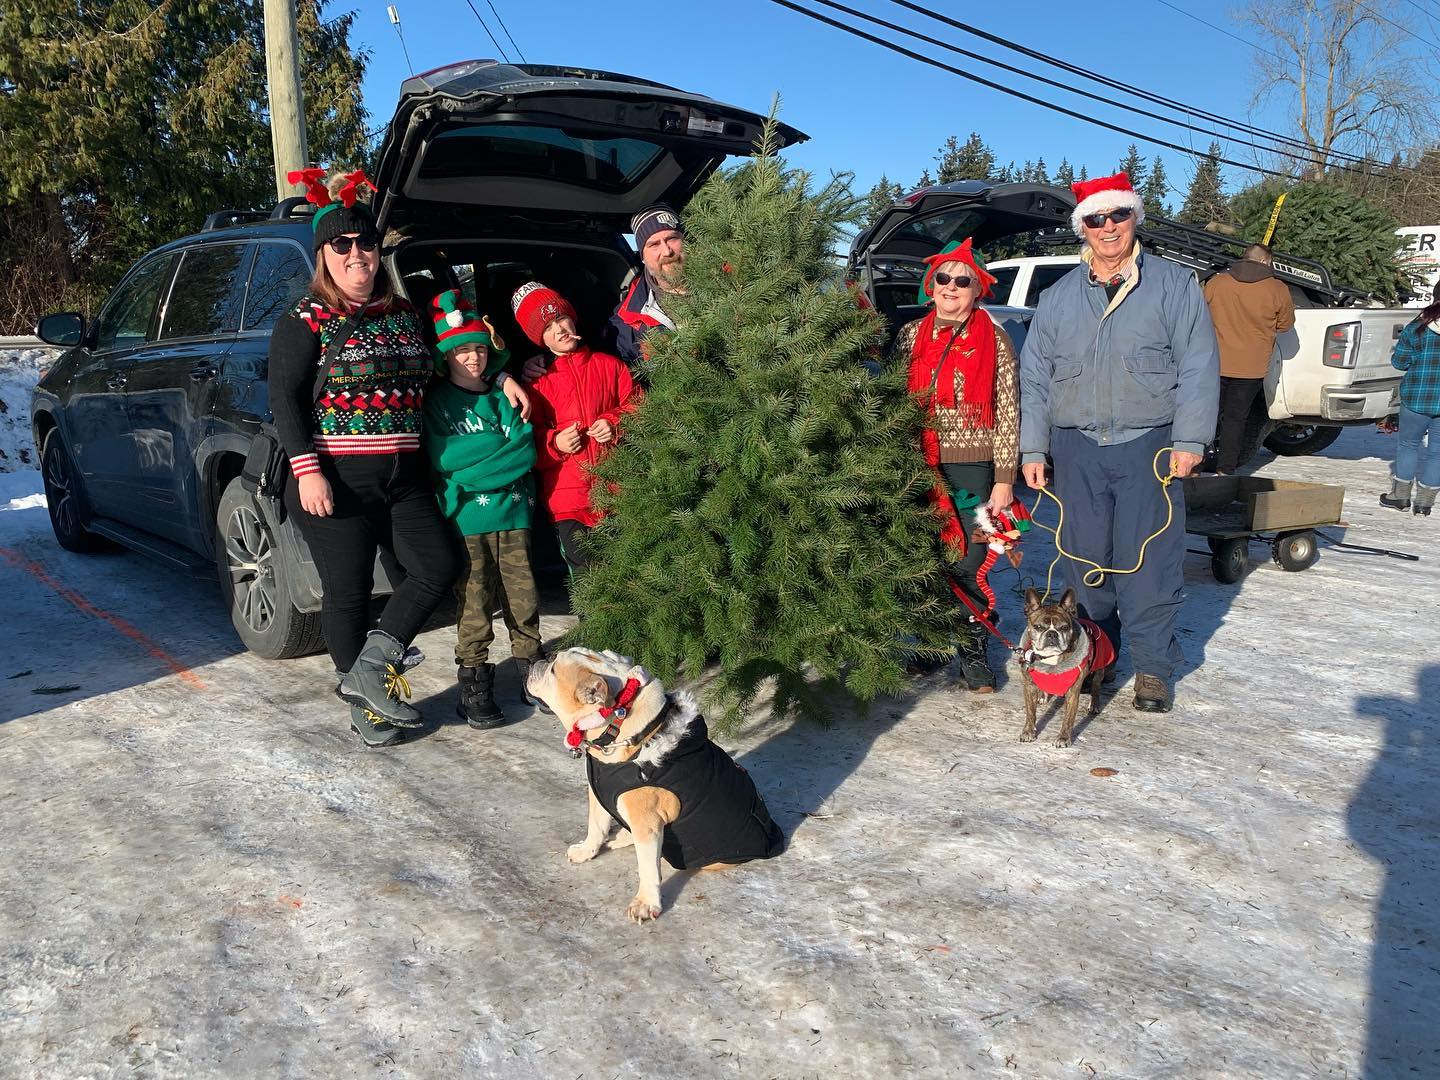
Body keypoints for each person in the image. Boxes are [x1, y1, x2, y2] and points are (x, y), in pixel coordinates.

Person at [269, 169, 457, 746]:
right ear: (323, 254)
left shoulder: (402, 315)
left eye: (367, 244)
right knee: (349, 591)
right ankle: (368, 707)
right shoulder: (305, 320)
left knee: (436, 568)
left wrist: (504, 381)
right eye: (342, 245)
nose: (358, 255)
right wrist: (307, 472)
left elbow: (446, 369)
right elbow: (285, 399)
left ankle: (370, 671)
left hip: (403, 478)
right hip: (335, 480)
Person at [1018, 172, 1219, 714]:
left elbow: (1200, 365)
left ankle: (1153, 668)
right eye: (1096, 219)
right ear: (1081, 227)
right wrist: (1033, 449)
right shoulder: (1058, 298)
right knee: (1086, 563)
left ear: (1134, 219)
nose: (1108, 228)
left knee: (1149, 562)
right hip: (1076, 447)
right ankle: (1094, 660)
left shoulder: (1174, 286)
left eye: (1118, 216)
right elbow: (1034, 377)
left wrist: (1191, 438)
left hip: (1148, 447)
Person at [893, 238, 1018, 692]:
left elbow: (1008, 411)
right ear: (932, 284)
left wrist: (1004, 480)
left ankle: (973, 653)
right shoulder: (910, 336)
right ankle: (930, 646)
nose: (950, 287)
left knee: (970, 559)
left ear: (977, 289)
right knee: (927, 559)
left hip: (973, 469)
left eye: (961, 280)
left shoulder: (995, 339)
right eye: (943, 278)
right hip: (921, 465)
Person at [423, 289, 544, 729]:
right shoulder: (437, 402)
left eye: (478, 349)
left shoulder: (502, 396)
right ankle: (473, 681)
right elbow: (444, 458)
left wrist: (476, 468)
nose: (471, 359)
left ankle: (533, 670)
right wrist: (492, 456)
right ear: (445, 357)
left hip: (513, 512)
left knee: (523, 593)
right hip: (466, 520)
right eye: (461, 352)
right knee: (474, 599)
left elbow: (524, 450)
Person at [514, 281, 638, 575]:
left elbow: (639, 407)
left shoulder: (611, 366)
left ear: (573, 318)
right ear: (540, 339)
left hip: (618, 491)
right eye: (547, 328)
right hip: (568, 499)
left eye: (560, 318)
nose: (558, 330)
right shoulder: (536, 383)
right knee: (587, 577)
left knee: (626, 572)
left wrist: (614, 423)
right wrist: (555, 442)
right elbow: (526, 440)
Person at [1202, 243, 1295, 474]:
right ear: (1266, 262)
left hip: (1216, 361)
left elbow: (1199, 314)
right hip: (1251, 366)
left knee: (1206, 414)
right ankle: (1226, 469)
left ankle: (1195, 464)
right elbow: (1286, 325)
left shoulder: (1217, 282)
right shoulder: (1277, 288)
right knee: (1236, 419)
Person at [1379, 284, 1440, 516]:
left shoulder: (1418, 327)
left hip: (1417, 397)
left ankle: (1400, 497)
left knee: (1408, 446)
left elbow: (1399, 363)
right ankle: (1424, 503)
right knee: (1438, 452)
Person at [606, 203, 686, 369]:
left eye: (672, 238)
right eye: (654, 244)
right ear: (643, 256)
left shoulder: (731, 278)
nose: (666, 251)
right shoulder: (626, 325)